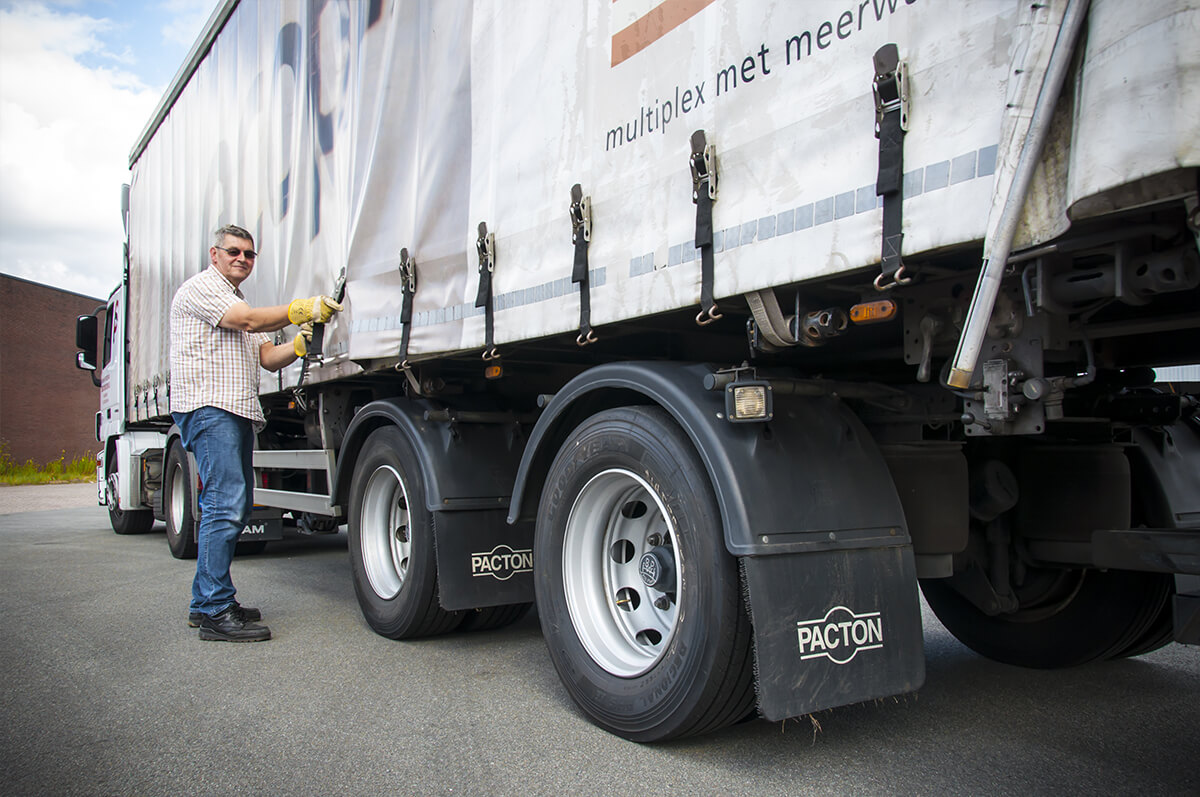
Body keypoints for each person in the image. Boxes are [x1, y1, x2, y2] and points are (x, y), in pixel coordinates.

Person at [170, 224, 342, 642]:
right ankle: (214, 609)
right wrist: (300, 308)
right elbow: (246, 323)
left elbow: (267, 357)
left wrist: (298, 346)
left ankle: (204, 602)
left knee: (233, 502)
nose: (242, 259)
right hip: (210, 408)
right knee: (224, 505)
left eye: (249, 254)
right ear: (214, 254)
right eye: (234, 251)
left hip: (235, 412)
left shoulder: (238, 301)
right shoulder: (201, 290)